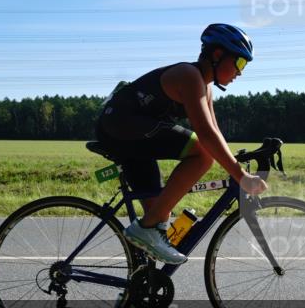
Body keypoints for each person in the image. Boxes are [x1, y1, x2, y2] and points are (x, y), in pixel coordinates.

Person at [94, 24, 268, 264]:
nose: (241, 72)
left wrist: (236, 164)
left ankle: (137, 292)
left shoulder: (205, 86)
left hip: (135, 138)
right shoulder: (189, 76)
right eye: (239, 63)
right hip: (120, 127)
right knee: (202, 154)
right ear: (218, 55)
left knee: (158, 217)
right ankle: (144, 230)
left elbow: (216, 131)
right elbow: (206, 135)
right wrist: (240, 176)